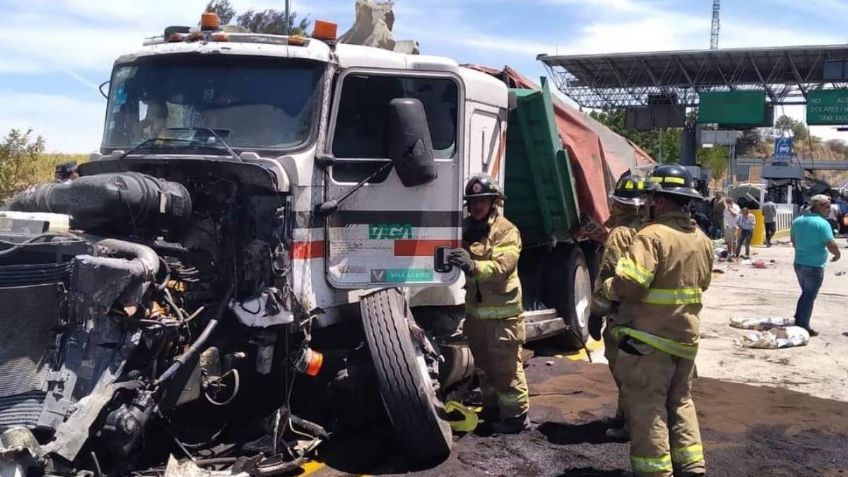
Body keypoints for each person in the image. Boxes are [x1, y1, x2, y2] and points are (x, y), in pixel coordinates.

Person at [600, 164, 712, 477]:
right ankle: (691, 465)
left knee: (647, 407)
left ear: (660, 201)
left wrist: (609, 286)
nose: (647, 203)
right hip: (685, 340)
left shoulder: (651, 237)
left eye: (650, 197)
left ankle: (653, 472)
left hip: (649, 341)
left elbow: (630, 285)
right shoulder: (700, 239)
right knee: (680, 402)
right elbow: (702, 284)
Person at [449, 174, 529, 434]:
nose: (477, 206)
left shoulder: (506, 231)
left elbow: (503, 267)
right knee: (484, 370)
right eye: (472, 201)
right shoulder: (465, 229)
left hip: (503, 318)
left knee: (506, 370)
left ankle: (516, 418)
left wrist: (472, 266)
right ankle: (493, 411)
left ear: (494, 202)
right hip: (477, 316)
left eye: (482, 200)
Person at [588, 172, 648, 442]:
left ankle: (630, 425)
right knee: (638, 371)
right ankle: (623, 416)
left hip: (622, 314)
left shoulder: (620, 234)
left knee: (624, 372)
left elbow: (608, 275)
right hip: (648, 314)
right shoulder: (652, 230)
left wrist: (596, 312)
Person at [790, 194, 842, 337]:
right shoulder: (822, 223)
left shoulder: (798, 221)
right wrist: (837, 254)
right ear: (818, 206)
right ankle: (803, 326)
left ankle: (798, 318)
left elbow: (793, 241)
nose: (828, 209)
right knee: (809, 296)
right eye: (827, 207)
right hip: (814, 265)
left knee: (806, 293)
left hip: (799, 263)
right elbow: (831, 244)